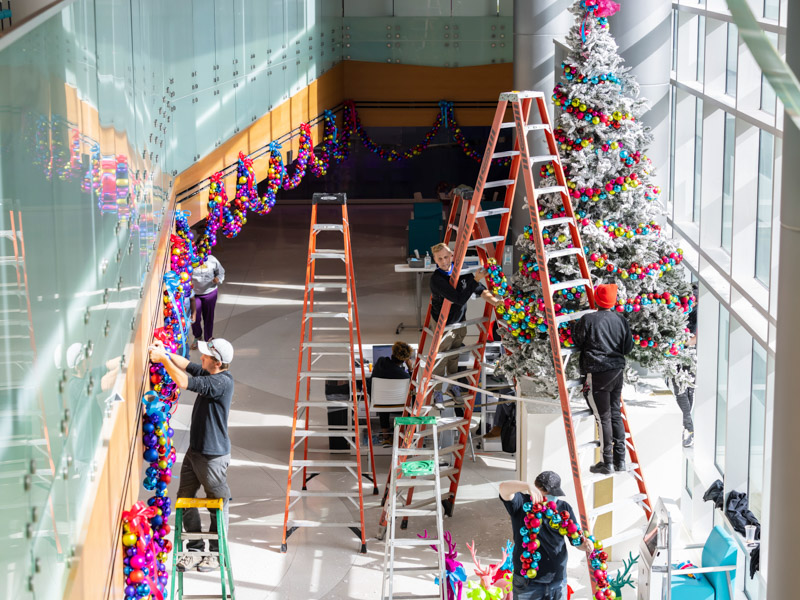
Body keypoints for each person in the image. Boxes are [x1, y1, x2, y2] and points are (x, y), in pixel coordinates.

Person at [148, 337, 235, 573]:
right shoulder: (210, 373)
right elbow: (187, 365)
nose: (201, 357)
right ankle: (195, 550)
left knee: (218, 504)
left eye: (206, 355)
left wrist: (163, 360)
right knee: (184, 499)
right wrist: (164, 351)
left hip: (212, 457)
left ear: (217, 363)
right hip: (195, 452)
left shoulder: (221, 383)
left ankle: (216, 555)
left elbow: (185, 382)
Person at [500, 471, 594, 599]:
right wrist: (526, 486)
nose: (550, 497)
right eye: (547, 493)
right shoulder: (521, 503)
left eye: (553, 494)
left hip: (557, 581)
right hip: (527, 583)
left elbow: (577, 542)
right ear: (536, 489)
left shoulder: (563, 508)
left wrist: (586, 544)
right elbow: (503, 488)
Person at [573, 283, 634, 475]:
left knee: (603, 418)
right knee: (615, 414)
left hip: (597, 374)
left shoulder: (588, 319)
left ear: (597, 299)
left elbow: (577, 340)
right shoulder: (621, 320)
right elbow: (628, 347)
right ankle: (620, 460)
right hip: (617, 373)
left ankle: (607, 462)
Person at [429, 242, 500, 400]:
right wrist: (475, 279)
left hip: (460, 320)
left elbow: (480, 290)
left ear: (452, 255)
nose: (444, 261)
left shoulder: (462, 272)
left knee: (455, 355)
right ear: (435, 260)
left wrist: (495, 302)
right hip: (444, 323)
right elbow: (459, 299)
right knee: (442, 357)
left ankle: (453, 385)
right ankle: (438, 391)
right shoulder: (437, 280)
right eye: (440, 259)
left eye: (446, 256)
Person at [369, 341, 413, 446]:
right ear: (405, 360)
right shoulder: (404, 375)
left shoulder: (380, 362)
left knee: (384, 400)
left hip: (379, 404)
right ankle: (407, 436)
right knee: (412, 400)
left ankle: (386, 437)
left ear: (392, 353)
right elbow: (412, 383)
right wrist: (410, 368)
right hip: (400, 406)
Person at [672, 286, 698, 447]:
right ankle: (688, 427)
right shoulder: (686, 310)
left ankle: (689, 427)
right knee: (683, 390)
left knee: (684, 390)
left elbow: (693, 340)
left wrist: (678, 342)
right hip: (681, 352)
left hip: (688, 353)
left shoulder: (696, 312)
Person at [191, 253, 225, 348]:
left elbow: (221, 272)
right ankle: (197, 336)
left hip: (210, 293)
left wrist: (218, 278)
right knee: (195, 318)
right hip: (194, 295)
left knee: (208, 317)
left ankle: (208, 339)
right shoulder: (190, 260)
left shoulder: (212, 259)